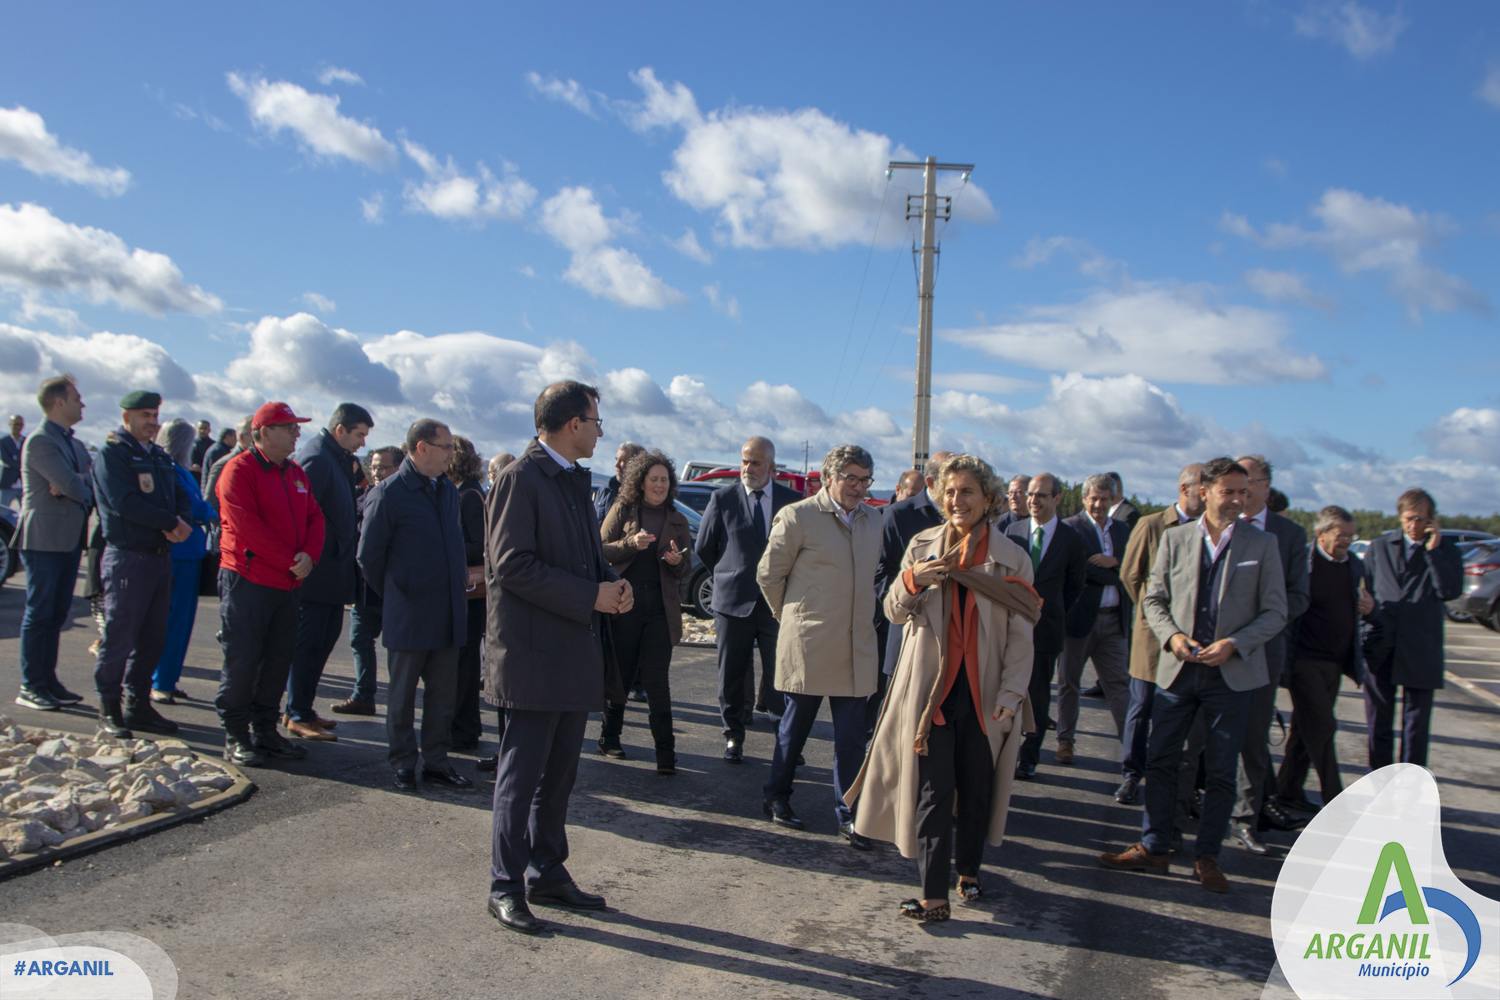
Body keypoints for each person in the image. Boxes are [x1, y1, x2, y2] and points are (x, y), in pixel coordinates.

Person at [847, 454, 1038, 922]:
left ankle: (968, 870)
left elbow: (1021, 636)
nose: (957, 500)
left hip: (985, 695)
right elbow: (892, 610)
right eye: (950, 492)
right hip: (929, 697)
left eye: (967, 491)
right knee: (934, 793)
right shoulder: (922, 546)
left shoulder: (1011, 559)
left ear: (988, 499)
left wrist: (1011, 697)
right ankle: (934, 897)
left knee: (976, 790)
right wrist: (914, 580)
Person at [1099, 457, 1287, 894]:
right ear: (1205, 492)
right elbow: (1154, 599)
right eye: (1230, 492)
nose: (1239, 500)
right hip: (1179, 670)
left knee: (1221, 769)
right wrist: (1172, 638)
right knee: (1162, 759)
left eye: (1244, 492)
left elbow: (1276, 610)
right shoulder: (1177, 539)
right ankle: (1155, 845)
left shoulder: (1262, 545)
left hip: (1232, 674)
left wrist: (1235, 643)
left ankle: (1208, 857)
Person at [485, 380, 631, 936]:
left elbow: (586, 557)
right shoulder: (521, 479)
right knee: (519, 779)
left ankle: (548, 870)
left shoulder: (572, 480)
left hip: (572, 652)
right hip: (529, 657)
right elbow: (511, 566)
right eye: (596, 421)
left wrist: (612, 584)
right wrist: (588, 595)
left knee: (560, 776)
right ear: (572, 423)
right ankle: (505, 884)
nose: (599, 430)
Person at [758, 444, 882, 847]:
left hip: (855, 645)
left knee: (851, 738)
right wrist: (790, 618)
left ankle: (850, 814)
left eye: (865, 480)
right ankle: (777, 797)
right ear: (829, 477)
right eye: (851, 478)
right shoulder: (798, 516)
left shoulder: (874, 521)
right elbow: (768, 575)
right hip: (810, 641)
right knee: (795, 731)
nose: (858, 488)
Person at [357, 419, 472, 793]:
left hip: (449, 611)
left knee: (442, 696)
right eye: (446, 447)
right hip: (409, 612)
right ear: (421, 448)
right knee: (403, 695)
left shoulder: (447, 492)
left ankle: (437, 761)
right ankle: (403, 762)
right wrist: (398, 592)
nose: (451, 455)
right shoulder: (389, 494)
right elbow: (368, 557)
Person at [214, 401, 324, 767]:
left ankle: (265, 730)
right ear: (263, 433)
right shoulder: (239, 471)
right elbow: (247, 527)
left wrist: (309, 555)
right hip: (249, 582)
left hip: (287, 584)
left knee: (278, 660)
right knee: (243, 659)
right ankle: (236, 734)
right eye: (288, 427)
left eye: (296, 426)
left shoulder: (294, 473)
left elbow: (315, 518)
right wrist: (291, 561)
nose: (296, 433)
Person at [91, 390, 193, 738]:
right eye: (144, 415)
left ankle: (138, 704)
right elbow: (125, 502)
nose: (152, 422)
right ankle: (109, 706)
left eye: (154, 415)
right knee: (119, 636)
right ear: (126, 417)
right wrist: (170, 522)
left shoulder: (160, 457)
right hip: (128, 557)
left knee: (153, 637)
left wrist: (180, 518)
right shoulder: (113, 454)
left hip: (159, 557)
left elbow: (180, 494)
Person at [695, 436, 801, 762]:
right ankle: (733, 735)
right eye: (744, 461)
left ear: (771, 466)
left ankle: (786, 742)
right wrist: (730, 574)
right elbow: (705, 547)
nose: (747, 468)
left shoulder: (791, 502)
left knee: (781, 674)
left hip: (775, 604)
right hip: (731, 601)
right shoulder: (722, 499)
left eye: (755, 462)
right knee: (731, 673)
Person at [1229, 454, 1309, 853]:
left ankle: (1246, 817)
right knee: (1197, 736)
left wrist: (1253, 629)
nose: (1241, 491)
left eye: (1249, 482)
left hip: (1261, 651)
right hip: (1209, 650)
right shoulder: (1212, 527)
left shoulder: (1289, 536)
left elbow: (1298, 597)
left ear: (1265, 486)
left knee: (1253, 738)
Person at [598, 449, 693, 772]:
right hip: (625, 606)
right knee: (621, 676)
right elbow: (599, 550)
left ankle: (666, 755)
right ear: (640, 482)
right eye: (653, 479)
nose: (659, 485)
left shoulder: (677, 518)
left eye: (664, 480)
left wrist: (677, 562)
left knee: (657, 681)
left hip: (659, 611)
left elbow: (686, 565)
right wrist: (629, 544)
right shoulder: (624, 509)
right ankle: (610, 738)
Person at [1115, 463, 1203, 804]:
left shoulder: (1205, 531)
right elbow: (1129, 574)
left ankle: (1180, 784)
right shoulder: (1152, 525)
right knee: (1142, 708)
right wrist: (1158, 618)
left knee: (1184, 717)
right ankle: (1131, 774)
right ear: (1185, 489)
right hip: (1153, 640)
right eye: (1202, 489)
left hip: (1192, 643)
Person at [285, 403, 373, 741]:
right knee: (308, 645)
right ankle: (296, 712)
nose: (362, 443)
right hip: (317, 575)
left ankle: (303, 708)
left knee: (322, 643)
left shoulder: (335, 459)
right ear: (341, 430)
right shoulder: (318, 460)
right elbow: (301, 515)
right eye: (359, 434)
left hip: (333, 571)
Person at [1274, 506, 1372, 809]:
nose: (1346, 541)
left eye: (1350, 536)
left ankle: (1286, 792)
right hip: (1304, 660)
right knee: (1324, 726)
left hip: (1335, 662)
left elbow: (1363, 607)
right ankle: (1336, 801)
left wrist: (1370, 608)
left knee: (1305, 730)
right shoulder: (1303, 563)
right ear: (1321, 533)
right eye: (1340, 535)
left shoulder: (1354, 565)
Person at [1360, 488, 1463, 768]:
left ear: (1431, 521)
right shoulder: (1381, 547)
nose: (1414, 526)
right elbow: (1366, 590)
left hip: (1421, 645)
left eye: (1420, 519)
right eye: (1408, 519)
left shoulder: (1446, 551)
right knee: (1378, 719)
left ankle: (1410, 782)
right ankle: (1378, 778)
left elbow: (1449, 590)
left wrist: (1434, 552)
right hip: (1382, 642)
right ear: (1400, 518)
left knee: (1415, 724)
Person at [14, 377, 91, 711]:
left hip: (67, 538)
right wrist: (73, 486)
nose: (82, 404)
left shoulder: (70, 442)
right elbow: (75, 486)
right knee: (41, 612)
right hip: (44, 539)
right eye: (77, 397)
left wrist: (75, 485)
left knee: (57, 613)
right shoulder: (42, 441)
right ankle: (31, 684)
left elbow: (86, 480)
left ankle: (48, 680)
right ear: (59, 402)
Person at [1005, 472, 1087, 779]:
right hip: (1010, 628)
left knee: (1037, 697)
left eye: (1040, 495)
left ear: (1056, 498)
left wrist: (1052, 610)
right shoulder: (1012, 531)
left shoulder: (1072, 539)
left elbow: (1074, 587)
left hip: (1046, 630)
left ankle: (1029, 757)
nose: (1033, 500)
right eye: (1030, 494)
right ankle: (1005, 752)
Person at [1056, 474, 1133, 764]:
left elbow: (1136, 567)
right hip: (1078, 620)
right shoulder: (1071, 529)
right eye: (1094, 498)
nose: (1099, 504)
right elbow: (1082, 570)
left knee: (1119, 686)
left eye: (1104, 498)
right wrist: (1118, 574)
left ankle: (1132, 749)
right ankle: (1065, 741)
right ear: (1084, 499)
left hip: (1114, 621)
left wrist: (1117, 564)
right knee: (1069, 683)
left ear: (1113, 499)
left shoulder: (1123, 530)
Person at [876, 451, 953, 727]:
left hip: (952, 637)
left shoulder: (964, 517)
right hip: (908, 628)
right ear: (932, 482)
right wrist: (910, 586)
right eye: (950, 478)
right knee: (897, 717)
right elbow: (880, 572)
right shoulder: (899, 514)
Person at [149, 419, 217, 704]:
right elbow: (194, 506)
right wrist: (212, 512)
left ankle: (168, 677)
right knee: (173, 619)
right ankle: (162, 680)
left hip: (188, 553)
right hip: (179, 553)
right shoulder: (172, 472)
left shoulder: (178, 471)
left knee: (181, 620)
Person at [333, 445, 402, 717]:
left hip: (390, 588)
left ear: (397, 467)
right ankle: (364, 695)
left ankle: (399, 704)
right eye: (373, 467)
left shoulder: (400, 498)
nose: (376, 472)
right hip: (363, 588)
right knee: (360, 640)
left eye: (383, 467)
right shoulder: (363, 496)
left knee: (399, 650)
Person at [450, 435, 488, 752]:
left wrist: (445, 547)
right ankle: (465, 727)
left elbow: (479, 546)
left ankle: (464, 730)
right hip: (467, 594)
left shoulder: (469, 496)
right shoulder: (465, 492)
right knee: (462, 664)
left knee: (464, 665)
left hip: (471, 594)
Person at [593, 441, 645, 524]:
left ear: (637, 464)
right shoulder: (605, 491)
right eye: (617, 459)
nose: (616, 465)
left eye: (623, 461)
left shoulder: (646, 496)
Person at [1, 413, 24, 509]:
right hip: (8, 483)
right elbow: (5, 459)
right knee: (3, 511)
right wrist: (22, 466)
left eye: (19, 424)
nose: (17, 427)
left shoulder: (26, 441)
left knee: (26, 513)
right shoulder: (3, 442)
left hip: (24, 484)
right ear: (10, 424)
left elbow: (32, 459)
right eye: (15, 424)